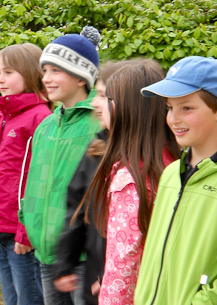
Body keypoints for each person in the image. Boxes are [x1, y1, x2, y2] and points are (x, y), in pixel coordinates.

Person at [135, 56, 217, 304]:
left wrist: (209, 300)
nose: (173, 118)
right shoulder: (171, 174)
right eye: (169, 108)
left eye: (186, 108)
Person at [76, 62, 180, 304]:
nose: (98, 104)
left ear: (126, 109)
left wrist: (109, 292)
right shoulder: (173, 161)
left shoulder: (130, 179)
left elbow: (125, 258)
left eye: (107, 97)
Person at [19, 26, 102, 305]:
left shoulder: (99, 124)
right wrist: (28, 223)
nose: (46, 79)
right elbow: (32, 183)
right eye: (45, 71)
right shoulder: (45, 126)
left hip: (83, 256)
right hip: (48, 253)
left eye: (56, 70)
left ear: (81, 78)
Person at [0, 43, 52, 305]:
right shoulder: (2, 120)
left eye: (9, 72)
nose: (1, 79)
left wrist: (27, 232)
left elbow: (40, 180)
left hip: (21, 234)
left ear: (31, 73)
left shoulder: (41, 118)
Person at [53, 60, 134, 305]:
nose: (95, 103)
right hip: (97, 277)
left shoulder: (144, 162)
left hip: (121, 284)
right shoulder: (97, 150)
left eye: (101, 95)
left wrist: (113, 278)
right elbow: (77, 209)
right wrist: (66, 262)